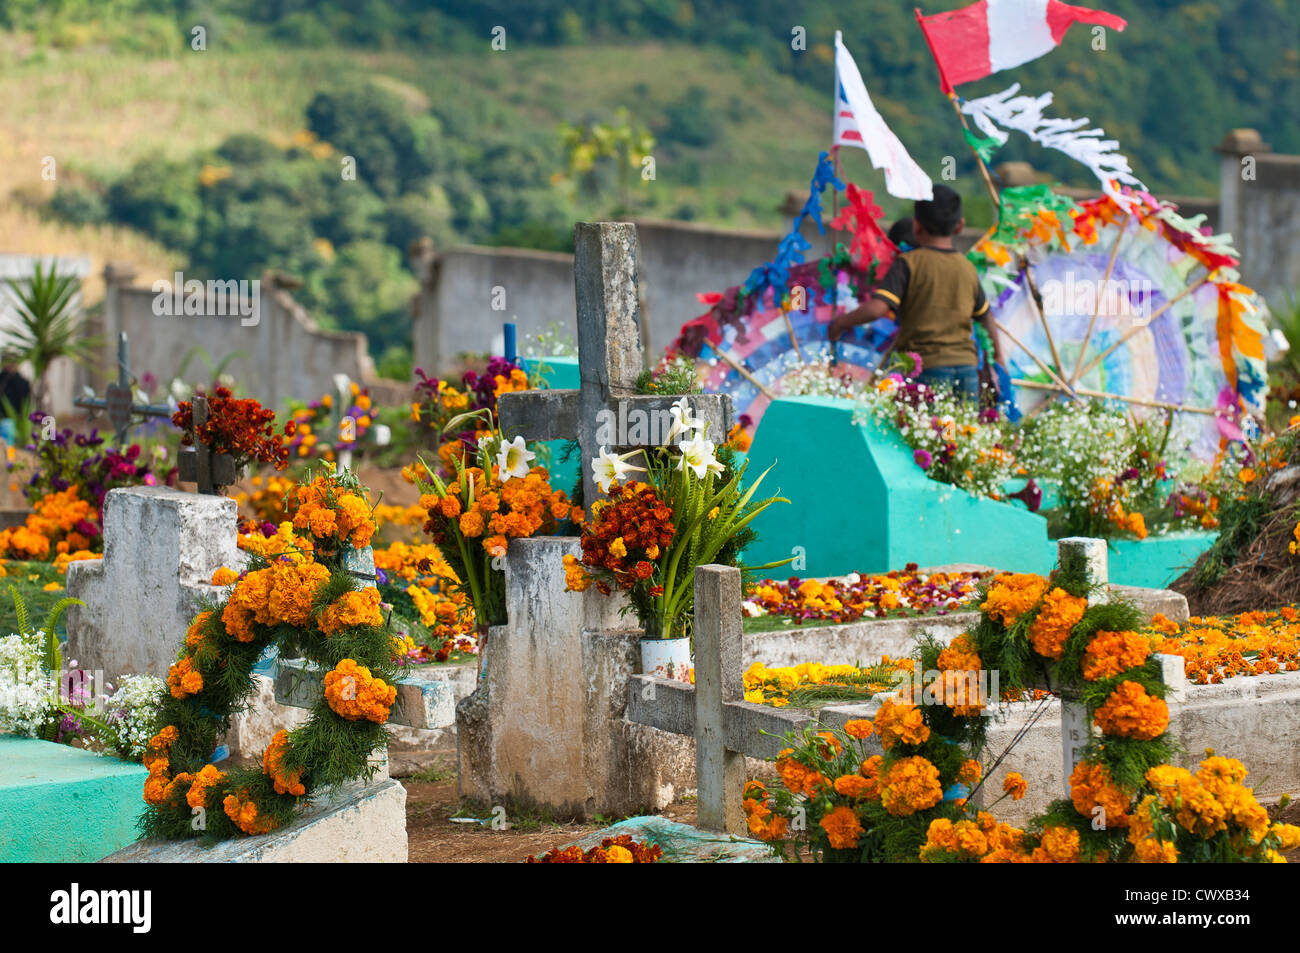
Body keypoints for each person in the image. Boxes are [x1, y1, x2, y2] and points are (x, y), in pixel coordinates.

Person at [828, 185, 1004, 401]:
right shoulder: (967, 268)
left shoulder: (908, 264)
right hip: (967, 369)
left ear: (916, 226)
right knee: (959, 432)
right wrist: (1000, 361)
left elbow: (877, 308)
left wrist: (840, 323)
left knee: (925, 430)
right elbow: (986, 317)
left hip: (928, 368)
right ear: (960, 226)